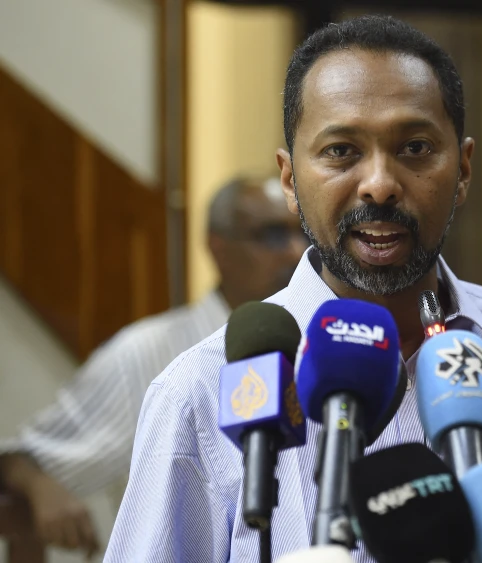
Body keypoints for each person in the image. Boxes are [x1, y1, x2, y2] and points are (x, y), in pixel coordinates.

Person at [105, 16, 482, 562]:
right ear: (290, 180)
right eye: (341, 151)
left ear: (462, 169)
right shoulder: (201, 392)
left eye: (414, 147)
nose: (380, 184)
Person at [0, 176, 305, 557]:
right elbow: (16, 459)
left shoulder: (322, 347)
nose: (295, 252)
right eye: (272, 235)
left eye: (303, 235)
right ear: (219, 248)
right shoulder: (149, 352)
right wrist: (36, 483)